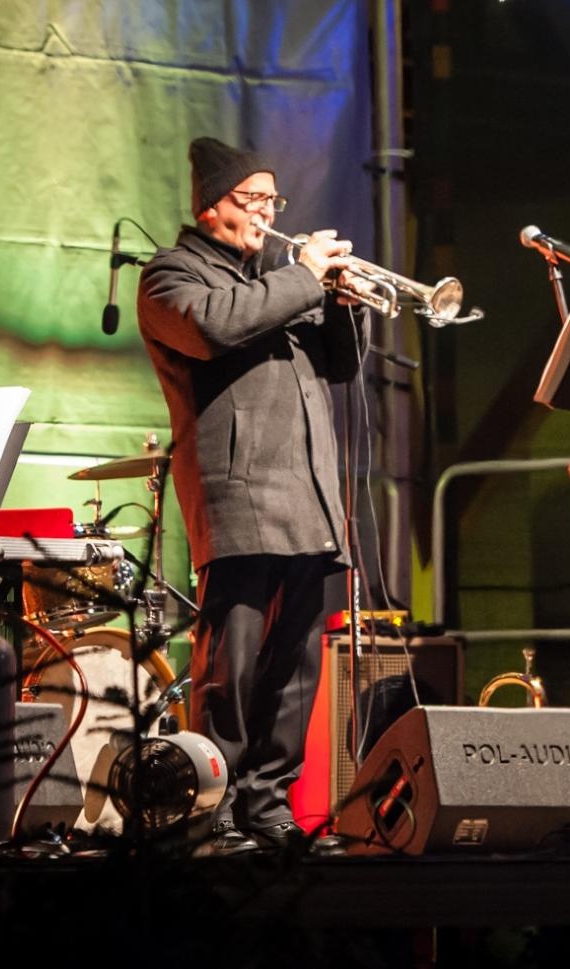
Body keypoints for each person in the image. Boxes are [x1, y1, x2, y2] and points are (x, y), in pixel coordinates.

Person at [137, 137, 368, 854]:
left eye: (274, 200)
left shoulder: (274, 279)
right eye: (254, 200)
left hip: (306, 495)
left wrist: (338, 302)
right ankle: (214, 806)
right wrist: (303, 277)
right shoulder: (171, 277)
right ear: (211, 205)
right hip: (237, 495)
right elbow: (215, 328)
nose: (268, 213)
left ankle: (269, 804)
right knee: (230, 667)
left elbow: (338, 365)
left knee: (297, 666)